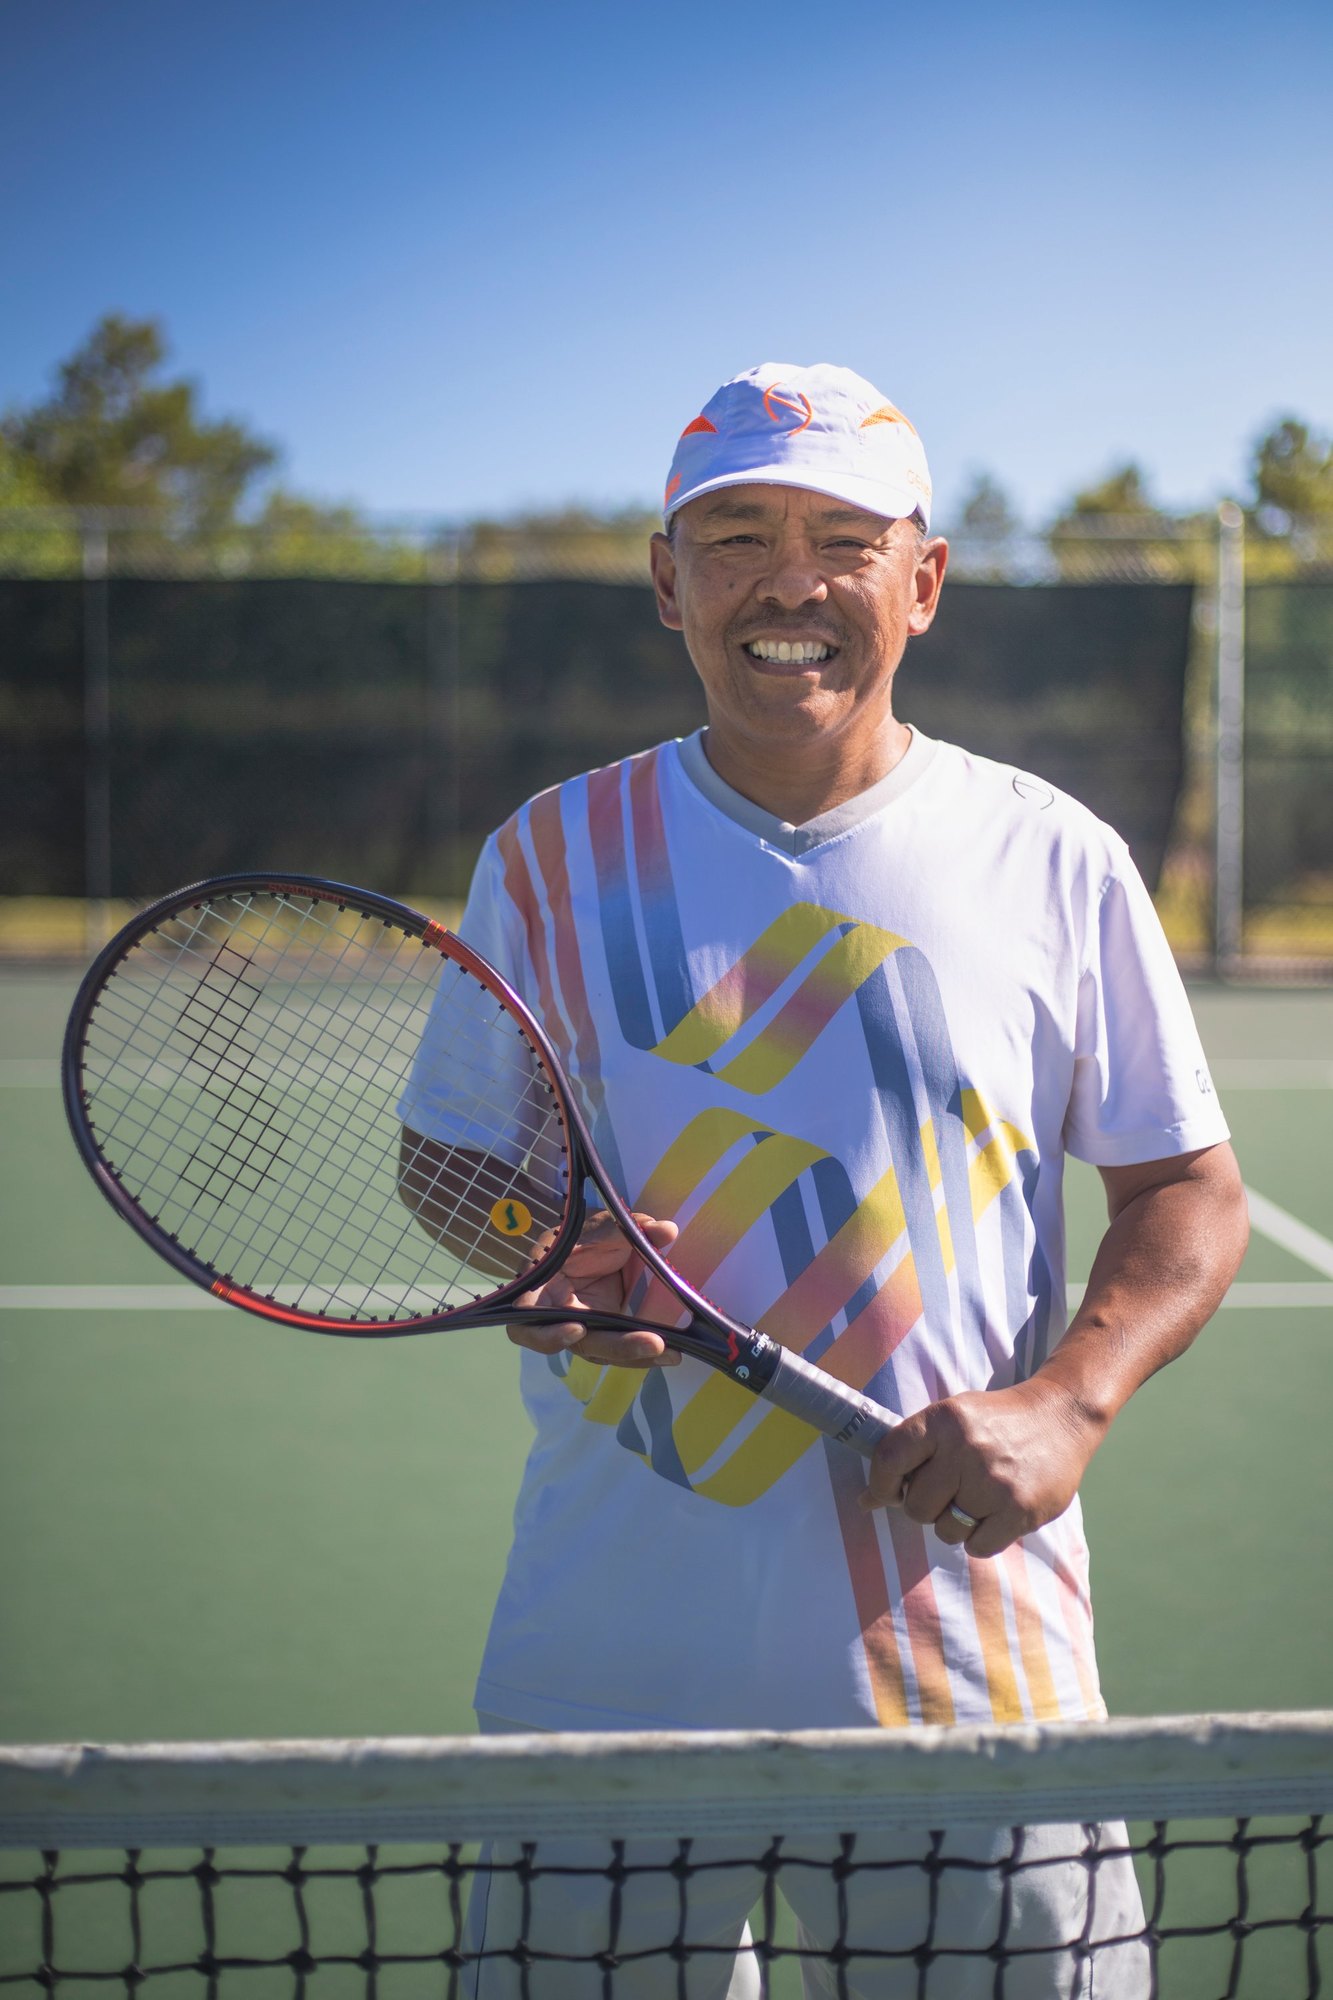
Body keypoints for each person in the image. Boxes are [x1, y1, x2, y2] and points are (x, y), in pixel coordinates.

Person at [398, 362, 1249, 1997]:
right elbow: (451, 1157)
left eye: (839, 538)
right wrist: (543, 1242)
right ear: (667, 582)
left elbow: (1186, 1188)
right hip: (607, 1677)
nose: (787, 581)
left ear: (919, 583)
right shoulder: (551, 854)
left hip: (968, 1679)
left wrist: (1069, 1401)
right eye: (733, 537)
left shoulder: (1051, 854)